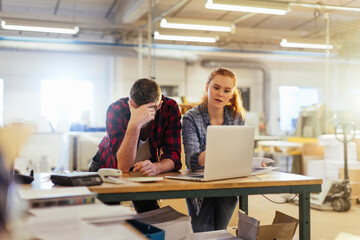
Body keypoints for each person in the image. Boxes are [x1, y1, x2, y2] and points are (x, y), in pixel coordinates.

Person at [89, 78, 182, 213]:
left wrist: (157, 167)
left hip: (144, 168)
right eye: (139, 109)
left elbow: (174, 156)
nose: (145, 115)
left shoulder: (170, 108)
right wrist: (135, 123)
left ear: (159, 104)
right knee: (106, 217)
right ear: (130, 103)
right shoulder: (116, 110)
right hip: (108, 166)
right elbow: (123, 166)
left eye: (151, 109)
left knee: (150, 215)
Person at [181, 67, 246, 232]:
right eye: (216, 88)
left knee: (220, 231)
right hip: (200, 185)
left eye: (226, 90)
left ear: (232, 94)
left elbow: (240, 154)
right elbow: (192, 161)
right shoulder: (191, 118)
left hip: (228, 183)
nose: (220, 94)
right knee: (202, 233)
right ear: (207, 87)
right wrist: (215, 153)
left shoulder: (237, 117)